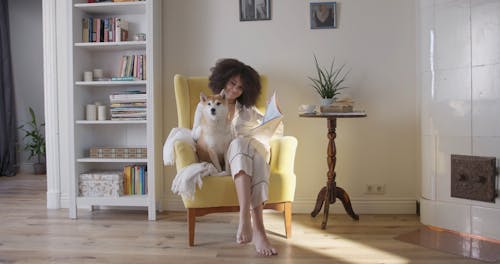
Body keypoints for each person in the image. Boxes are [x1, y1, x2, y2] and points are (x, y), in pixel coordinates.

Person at [192, 58, 279, 256]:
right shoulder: (205, 106)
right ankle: (252, 225)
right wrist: (210, 130)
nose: (235, 90)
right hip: (229, 154)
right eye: (232, 83)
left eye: (240, 87)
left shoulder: (246, 109)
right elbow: (195, 133)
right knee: (239, 145)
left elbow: (274, 129)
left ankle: (254, 226)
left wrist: (271, 116)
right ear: (223, 80)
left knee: (254, 155)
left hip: (248, 154)